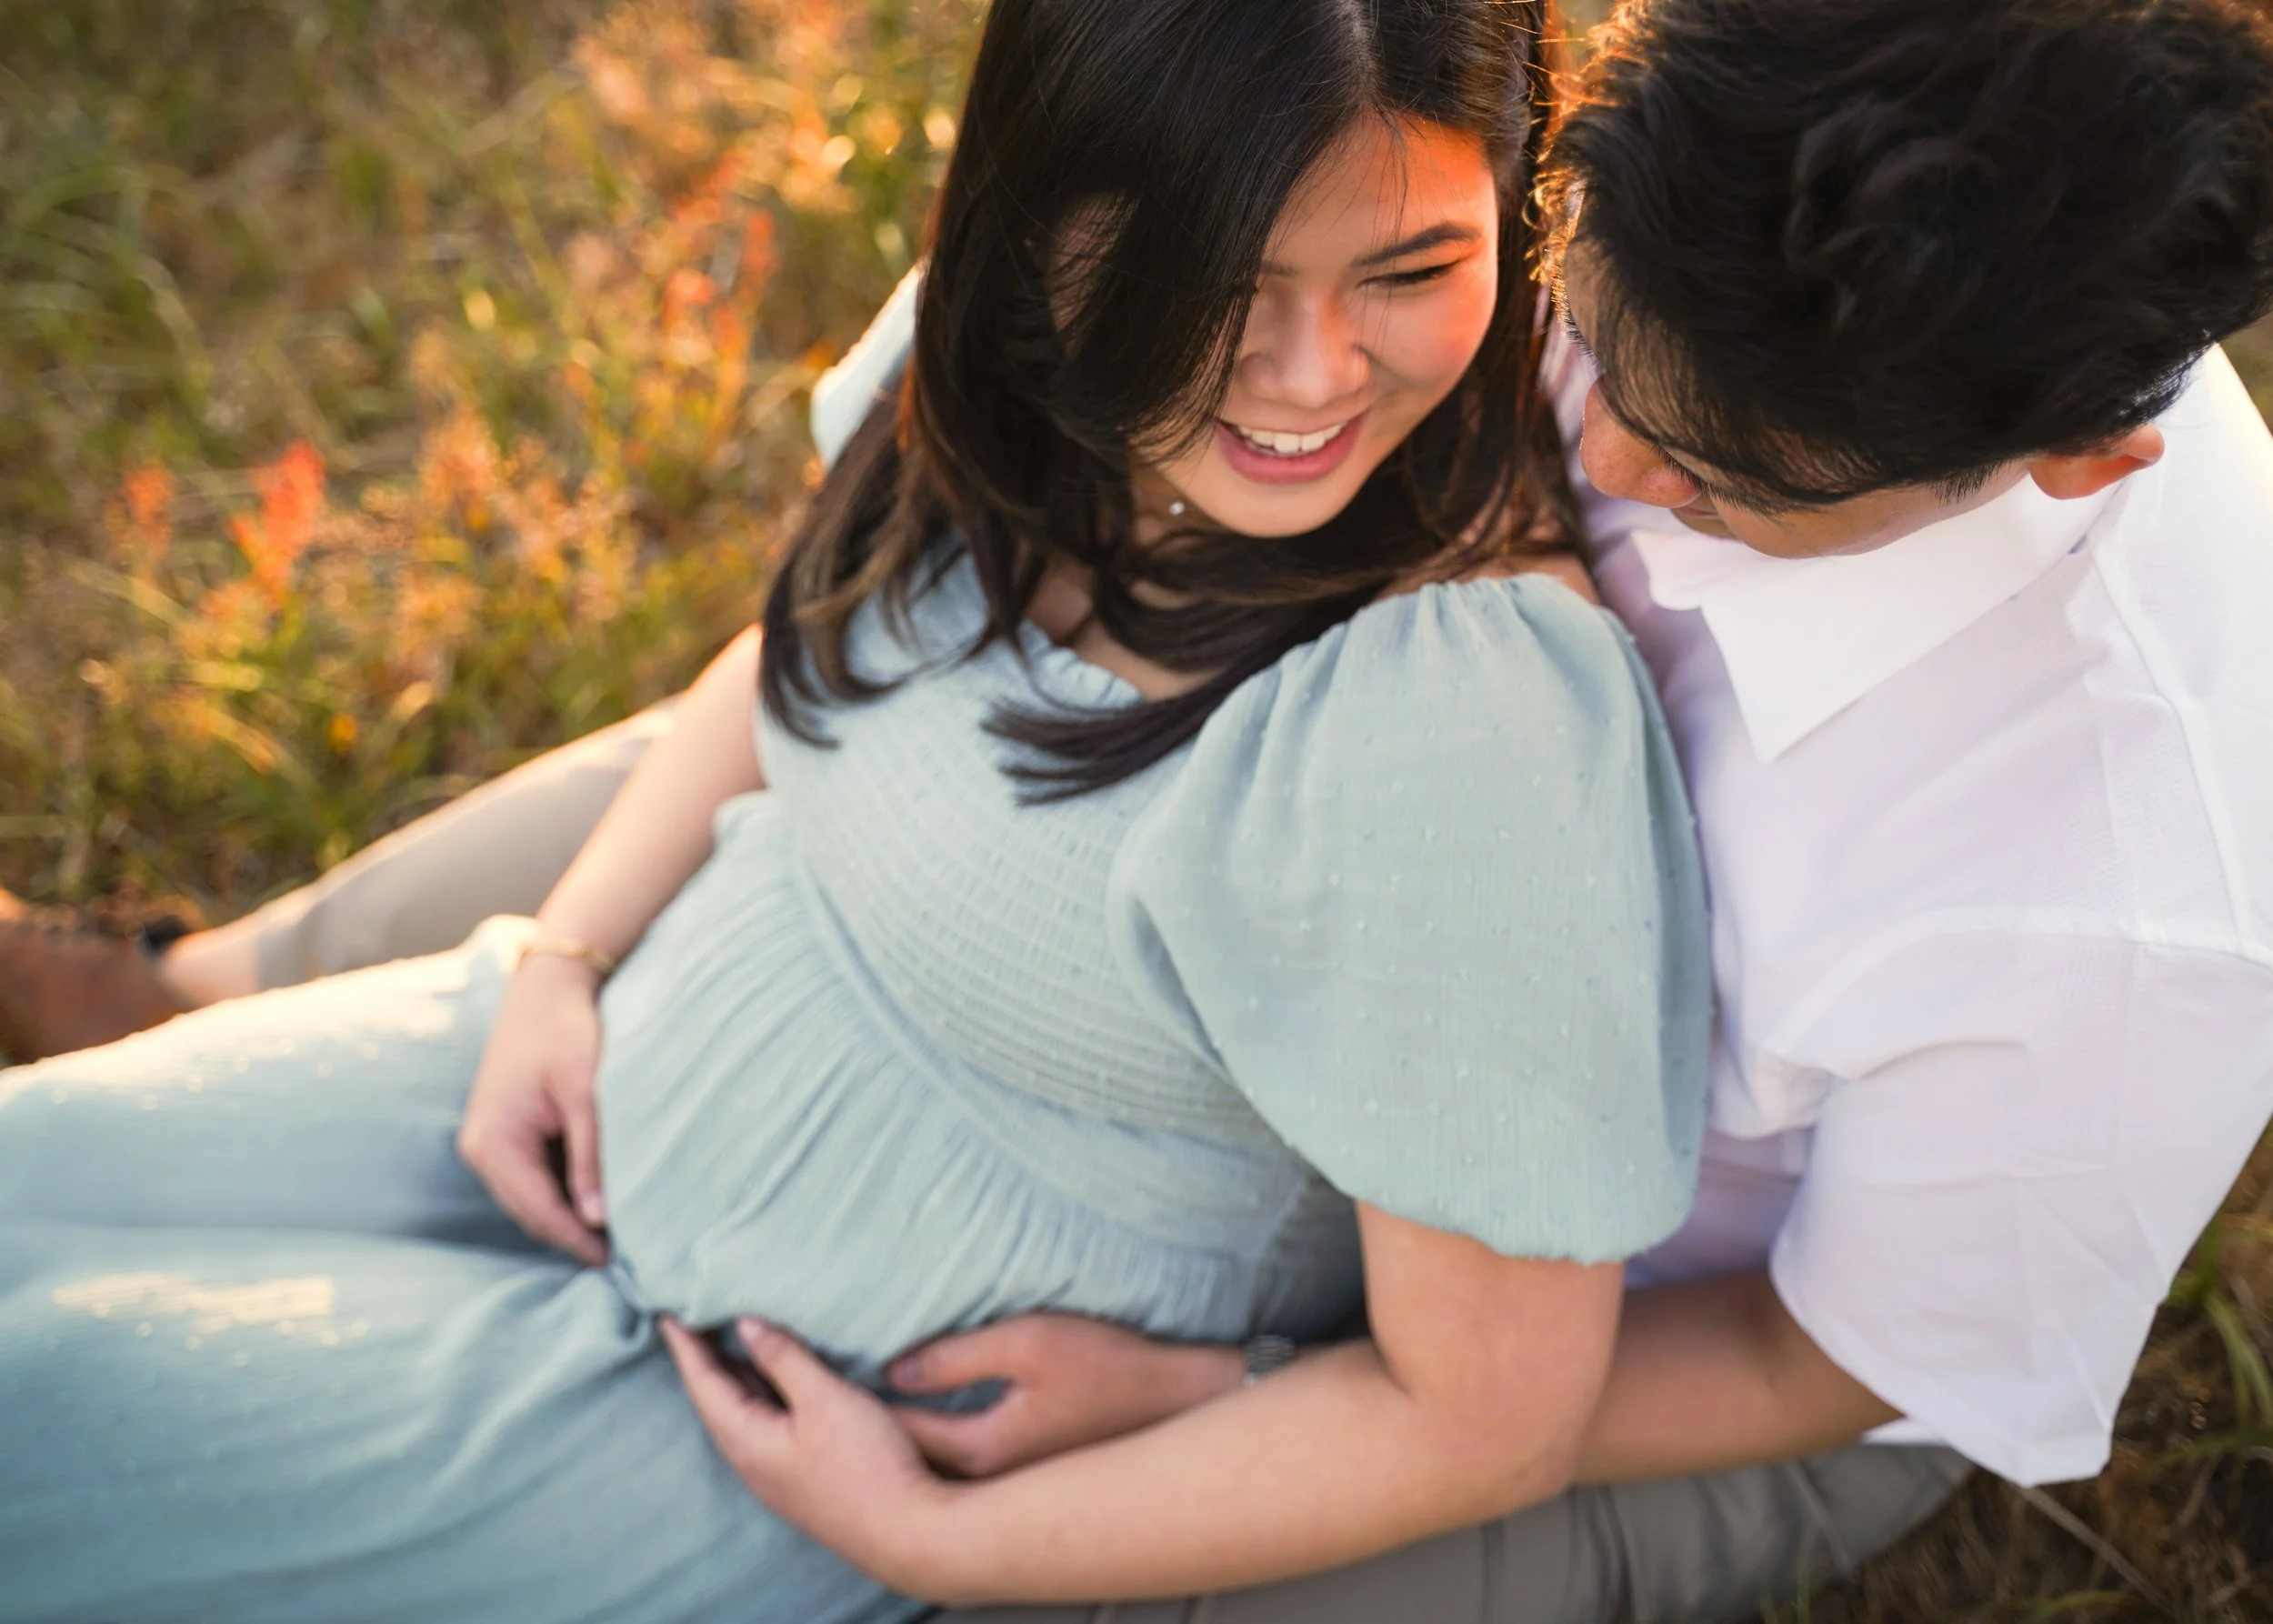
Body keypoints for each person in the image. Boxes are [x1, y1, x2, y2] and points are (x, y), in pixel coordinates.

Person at [0, 4, 1714, 1622]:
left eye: (1412, 267)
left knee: (42, 1410)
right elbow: (809, 644)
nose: (1308, 373)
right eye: (1218, 282)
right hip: (590, 1065)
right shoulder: (1020, 358)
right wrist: (561, 958)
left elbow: (1488, 1415)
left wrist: (932, 1532)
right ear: (1045, 211)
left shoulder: (1462, 723)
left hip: (741, 1419)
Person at [659, 0, 2273, 1619]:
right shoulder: (1641, 142)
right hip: (1174, 798)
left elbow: (1815, 1360)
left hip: (1652, 1366)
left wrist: (1247, 1385)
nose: (1608, 449)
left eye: (1721, 471)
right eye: (1584, 309)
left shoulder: (2131, 901)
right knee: (422, 939)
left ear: (2076, 461)